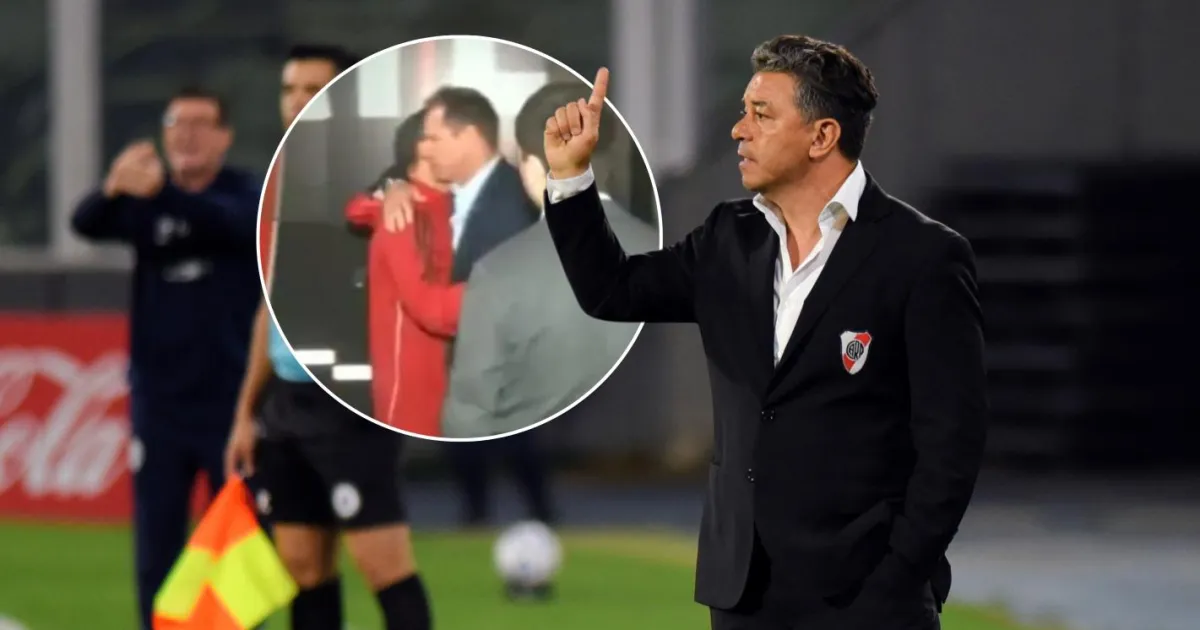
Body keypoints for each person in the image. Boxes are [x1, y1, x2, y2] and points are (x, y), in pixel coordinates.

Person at [542, 37, 988, 630]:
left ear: (822, 136)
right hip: (744, 594)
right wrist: (570, 177)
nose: (738, 130)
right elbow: (611, 291)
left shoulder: (923, 256)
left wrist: (900, 574)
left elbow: (952, 442)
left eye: (761, 114)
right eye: (743, 112)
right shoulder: (728, 237)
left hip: (868, 598)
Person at [224, 44, 432, 630]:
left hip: (351, 400)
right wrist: (246, 412)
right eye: (289, 89)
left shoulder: (375, 177)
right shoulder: (281, 184)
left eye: (313, 89)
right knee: (303, 566)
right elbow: (269, 305)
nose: (298, 101)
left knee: (383, 563)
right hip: (286, 404)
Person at [70, 87, 261, 630]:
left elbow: (233, 225)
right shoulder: (145, 200)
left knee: (238, 545)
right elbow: (84, 222)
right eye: (177, 123)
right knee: (157, 546)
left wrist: (163, 193)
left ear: (224, 137)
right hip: (160, 403)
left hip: (229, 404)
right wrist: (113, 186)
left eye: (201, 124)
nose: (187, 135)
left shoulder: (244, 192)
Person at [440, 82, 658, 439]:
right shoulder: (668, 253)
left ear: (529, 166)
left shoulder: (497, 272)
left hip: (533, 462)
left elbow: (469, 416)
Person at [417, 86, 555, 526]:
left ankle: (540, 515)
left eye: (435, 134)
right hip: (456, 331)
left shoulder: (519, 186)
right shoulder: (430, 192)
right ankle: (475, 514)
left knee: (516, 432)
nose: (426, 145)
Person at [343, 110, 464, 436]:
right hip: (412, 389)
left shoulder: (464, 204)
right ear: (422, 147)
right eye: (452, 134)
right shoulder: (400, 211)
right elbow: (357, 209)